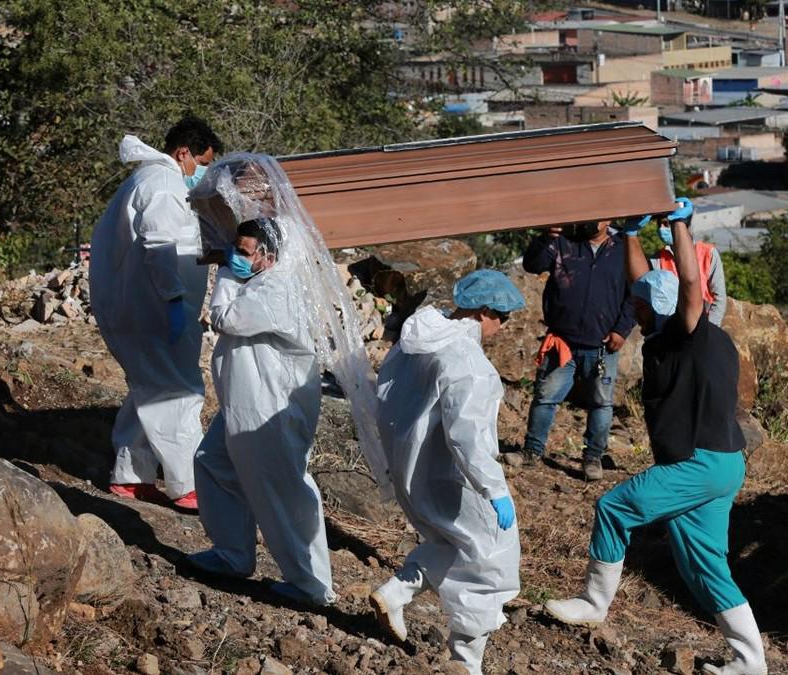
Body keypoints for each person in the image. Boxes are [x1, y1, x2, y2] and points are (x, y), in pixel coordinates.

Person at [543, 199, 767, 675]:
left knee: (614, 507)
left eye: (639, 306)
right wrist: (629, 235)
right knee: (704, 569)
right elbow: (644, 281)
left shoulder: (692, 333)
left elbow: (689, 284)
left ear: (652, 310)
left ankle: (593, 602)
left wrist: (681, 227)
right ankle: (750, 663)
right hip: (719, 463)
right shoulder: (672, 333)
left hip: (700, 463)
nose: (633, 310)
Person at [369, 269, 524, 675]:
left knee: (452, 543)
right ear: (485, 311)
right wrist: (495, 489)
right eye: (502, 318)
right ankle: (465, 661)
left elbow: (385, 394)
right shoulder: (467, 362)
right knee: (491, 561)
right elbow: (468, 437)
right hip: (453, 475)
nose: (503, 328)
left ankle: (398, 591)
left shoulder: (419, 339)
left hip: (412, 467)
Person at [190, 218, 336, 607]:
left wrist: (223, 271)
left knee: (281, 491)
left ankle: (311, 585)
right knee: (212, 462)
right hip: (249, 402)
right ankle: (232, 554)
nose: (237, 257)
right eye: (235, 249)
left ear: (269, 257)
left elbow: (225, 318)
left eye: (244, 252)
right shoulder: (262, 281)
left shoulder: (276, 289)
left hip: (268, 408)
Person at [89, 115, 223, 510]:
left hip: (147, 307)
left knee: (149, 388)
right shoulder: (163, 184)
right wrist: (172, 301)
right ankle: (189, 485)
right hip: (155, 309)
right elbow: (161, 246)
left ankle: (132, 477)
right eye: (202, 163)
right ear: (183, 153)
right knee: (177, 392)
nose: (203, 173)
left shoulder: (149, 181)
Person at [516, 220, 636, 481]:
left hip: (603, 345)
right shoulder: (563, 242)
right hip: (562, 341)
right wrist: (544, 237)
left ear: (609, 220)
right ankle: (531, 452)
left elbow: (635, 291)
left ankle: (592, 458)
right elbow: (532, 265)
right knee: (546, 397)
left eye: (601, 215)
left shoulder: (624, 248)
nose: (593, 220)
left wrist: (622, 330)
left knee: (601, 403)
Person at [649, 199, 727, 325]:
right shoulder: (657, 260)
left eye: (666, 224)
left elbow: (719, 299)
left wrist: (709, 330)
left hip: (704, 323)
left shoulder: (709, 253)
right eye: (659, 224)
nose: (661, 229)